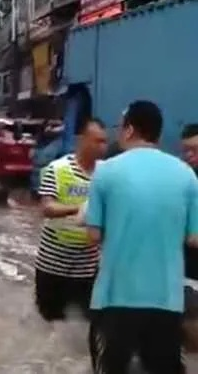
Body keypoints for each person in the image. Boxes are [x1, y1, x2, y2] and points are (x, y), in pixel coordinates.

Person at [86, 101, 198, 373]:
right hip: (166, 299)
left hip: (116, 298)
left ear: (129, 130)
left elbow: (93, 235)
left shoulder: (105, 172)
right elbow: (194, 238)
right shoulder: (187, 176)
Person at [35, 118, 107, 322]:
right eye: (97, 141)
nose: (102, 147)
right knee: (49, 324)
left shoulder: (107, 173)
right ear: (81, 140)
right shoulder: (56, 169)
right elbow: (47, 207)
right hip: (53, 263)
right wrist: (81, 209)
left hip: (89, 265)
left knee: (86, 325)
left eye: (104, 142)